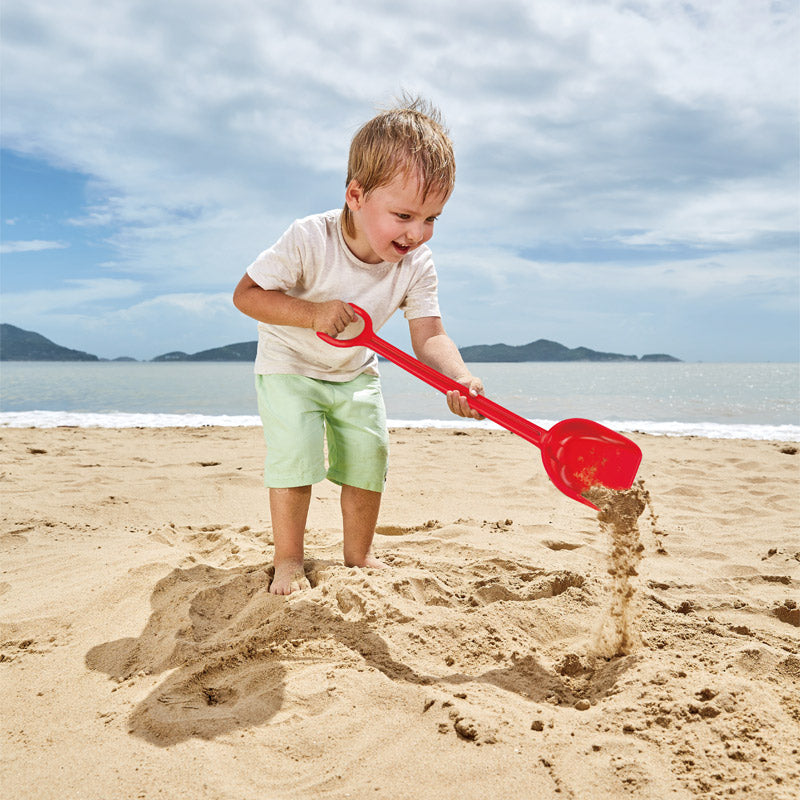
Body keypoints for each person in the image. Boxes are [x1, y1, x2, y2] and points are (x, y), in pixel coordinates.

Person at [233, 96, 484, 595]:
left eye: (432, 218)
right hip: (290, 364)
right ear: (355, 195)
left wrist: (457, 376)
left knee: (369, 454)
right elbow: (247, 295)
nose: (417, 233)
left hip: (354, 369)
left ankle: (359, 555)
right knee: (295, 456)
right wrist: (312, 313)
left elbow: (429, 334)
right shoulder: (310, 238)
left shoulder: (416, 264)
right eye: (404, 215)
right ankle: (288, 559)